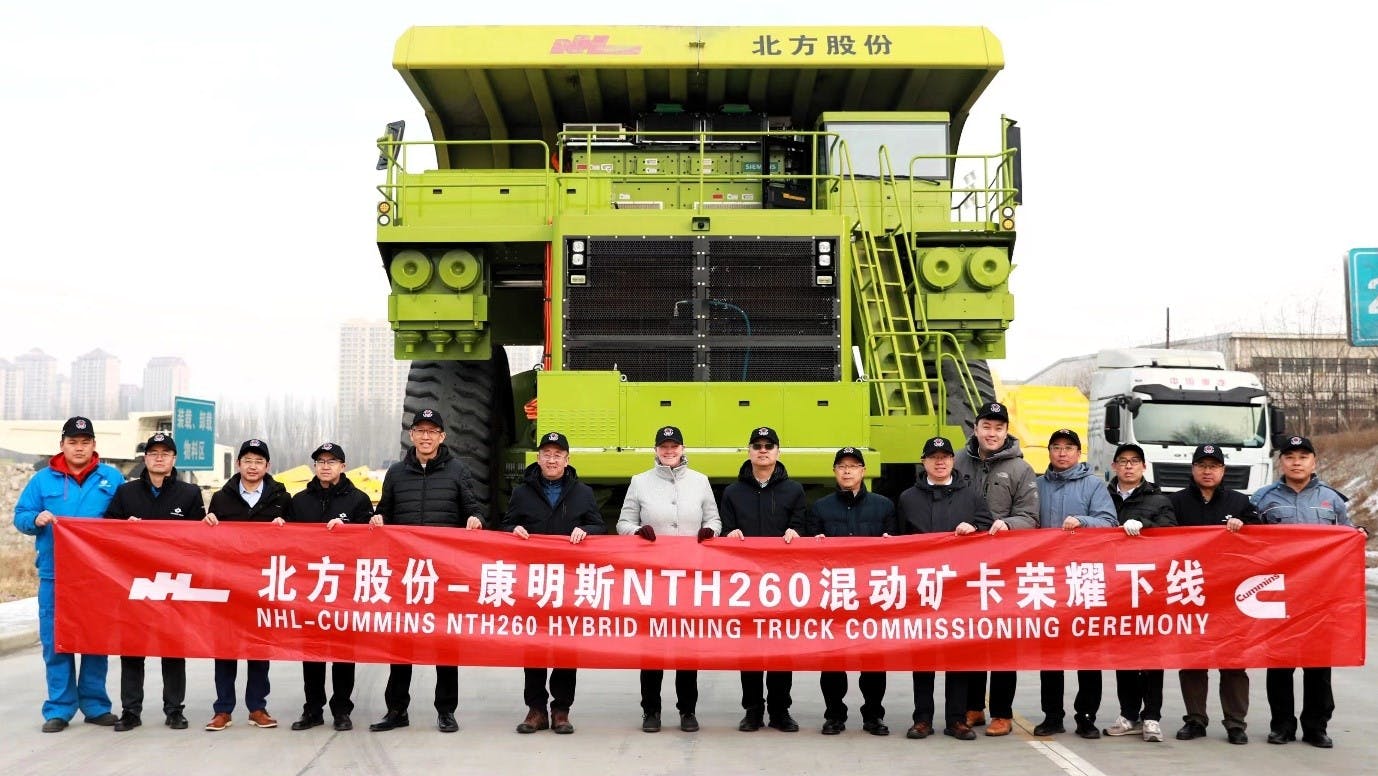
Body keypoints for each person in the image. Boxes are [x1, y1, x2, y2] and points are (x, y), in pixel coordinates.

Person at [369, 408, 485, 734]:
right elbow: (384, 514)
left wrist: (475, 520)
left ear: (442, 437)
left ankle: (446, 710)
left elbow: (473, 510)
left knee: (445, 644)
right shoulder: (395, 473)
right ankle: (396, 710)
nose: (425, 436)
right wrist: (378, 520)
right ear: (412, 435)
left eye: (432, 431)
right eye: (420, 430)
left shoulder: (457, 471)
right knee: (401, 643)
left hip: (443, 574)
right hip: (405, 574)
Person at [1252, 435, 1367, 749]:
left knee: (1318, 663)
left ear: (1314, 462)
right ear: (1281, 462)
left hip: (1320, 596)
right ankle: (1282, 726)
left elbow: (1347, 534)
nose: (1296, 462)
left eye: (1303, 456)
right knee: (1280, 663)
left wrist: (1357, 533)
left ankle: (1316, 727)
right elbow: (1248, 542)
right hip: (1279, 595)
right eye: (1290, 457)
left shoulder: (1332, 500)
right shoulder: (1262, 499)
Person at [13, 416, 124, 732]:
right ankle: (59, 708)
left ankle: (95, 705)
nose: (79, 448)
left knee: (95, 641)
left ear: (93, 446)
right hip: (55, 576)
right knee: (56, 642)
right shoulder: (42, 481)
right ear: (62, 445)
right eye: (73, 442)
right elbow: (20, 516)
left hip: (98, 578)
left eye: (85, 442)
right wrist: (35, 518)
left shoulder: (111, 479)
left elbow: (125, 519)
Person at [616, 425, 721, 734]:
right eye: (664, 446)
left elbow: (713, 518)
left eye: (674, 446)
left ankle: (687, 710)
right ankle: (651, 710)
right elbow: (623, 521)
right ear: (656, 450)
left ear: (683, 448)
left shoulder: (700, 482)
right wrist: (637, 532)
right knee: (653, 648)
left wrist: (710, 531)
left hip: (689, 578)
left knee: (687, 648)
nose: (669, 451)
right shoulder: (639, 482)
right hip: (653, 579)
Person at [502, 431, 606, 736]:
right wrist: (514, 528)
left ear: (567, 460)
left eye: (557, 454)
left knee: (565, 647)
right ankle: (535, 710)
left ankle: (561, 709)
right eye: (546, 454)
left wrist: (585, 530)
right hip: (533, 582)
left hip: (569, 582)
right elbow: (506, 524)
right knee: (533, 646)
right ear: (538, 459)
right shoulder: (522, 493)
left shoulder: (583, 493)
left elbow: (599, 524)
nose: (551, 459)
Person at [103, 432, 206, 732]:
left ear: (174, 459)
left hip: (173, 582)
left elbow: (198, 540)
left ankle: (174, 710)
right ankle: (131, 711)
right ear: (145, 458)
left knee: (173, 648)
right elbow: (106, 534)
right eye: (153, 453)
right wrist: (126, 529)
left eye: (165, 453)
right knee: (132, 649)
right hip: (134, 583)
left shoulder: (189, 494)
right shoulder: (126, 493)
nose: (159, 458)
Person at [898, 436, 993, 741]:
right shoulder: (908, 498)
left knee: (958, 656)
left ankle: (956, 719)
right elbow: (898, 543)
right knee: (922, 657)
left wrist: (974, 530)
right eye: (933, 457)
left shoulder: (973, 495)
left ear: (954, 461)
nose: (940, 462)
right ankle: (922, 718)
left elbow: (989, 535)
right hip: (922, 588)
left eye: (945, 457)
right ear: (923, 461)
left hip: (959, 589)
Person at [953, 401, 1038, 736]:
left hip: (1005, 565)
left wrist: (1007, 525)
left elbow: (1030, 517)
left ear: (1006, 431)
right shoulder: (957, 462)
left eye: (998, 428)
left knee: (1002, 638)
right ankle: (974, 706)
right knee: (969, 637)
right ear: (976, 429)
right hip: (964, 566)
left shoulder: (1021, 469)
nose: (992, 433)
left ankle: (1002, 711)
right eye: (986, 427)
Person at [1169, 443, 1260, 745]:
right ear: (1193, 469)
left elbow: (1264, 538)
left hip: (1230, 595)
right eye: (1202, 465)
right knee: (1194, 659)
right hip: (1191, 592)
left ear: (1223, 470)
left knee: (1233, 661)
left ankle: (1236, 723)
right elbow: (1162, 539)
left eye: (1214, 466)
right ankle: (1195, 720)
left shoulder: (1240, 502)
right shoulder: (1176, 502)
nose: (1208, 471)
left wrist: (1244, 526)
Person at [719, 426, 806, 734]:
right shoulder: (732, 492)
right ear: (749, 451)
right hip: (746, 582)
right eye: (757, 445)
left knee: (783, 649)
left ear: (778, 452)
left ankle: (781, 711)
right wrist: (730, 534)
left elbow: (800, 526)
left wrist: (796, 533)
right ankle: (753, 710)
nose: (763, 450)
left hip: (783, 582)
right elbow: (726, 530)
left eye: (769, 445)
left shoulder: (794, 490)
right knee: (751, 649)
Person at [203, 438, 292, 732]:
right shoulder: (222, 497)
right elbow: (210, 540)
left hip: (264, 583)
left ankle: (257, 707)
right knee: (225, 648)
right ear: (239, 464)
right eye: (247, 461)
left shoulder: (281, 497)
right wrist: (209, 523)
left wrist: (285, 529)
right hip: (228, 583)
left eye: (259, 462)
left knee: (258, 648)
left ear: (267, 467)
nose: (252, 466)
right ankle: (223, 709)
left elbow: (298, 541)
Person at [1033, 428, 1117, 739]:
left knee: (1087, 654)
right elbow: (1026, 521)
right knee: (1050, 655)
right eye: (1056, 447)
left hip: (1083, 580)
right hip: (1046, 581)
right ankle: (1052, 715)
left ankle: (1086, 717)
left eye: (1069, 447)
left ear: (1079, 453)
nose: (1062, 453)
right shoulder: (1037, 485)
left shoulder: (1093, 485)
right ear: (1050, 452)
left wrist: (1084, 522)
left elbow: (1109, 522)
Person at [286, 442, 374, 732]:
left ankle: (341, 710)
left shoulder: (359, 500)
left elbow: (369, 543)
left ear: (343, 466)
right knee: (311, 653)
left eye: (332, 461)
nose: (325, 466)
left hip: (344, 587)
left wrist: (348, 531)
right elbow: (285, 542)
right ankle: (312, 709)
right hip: (310, 587)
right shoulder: (299, 501)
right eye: (320, 461)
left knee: (342, 653)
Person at [809, 446, 896, 737]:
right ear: (834, 471)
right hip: (834, 594)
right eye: (842, 466)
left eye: (853, 465)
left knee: (873, 659)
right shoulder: (820, 508)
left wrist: (890, 542)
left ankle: (873, 715)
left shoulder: (884, 506)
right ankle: (834, 714)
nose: (847, 471)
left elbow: (900, 549)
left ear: (863, 471)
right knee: (833, 659)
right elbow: (809, 556)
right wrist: (815, 543)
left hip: (872, 595)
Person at [1099, 443, 1175, 743]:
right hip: (1114, 587)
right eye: (1123, 461)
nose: (1128, 467)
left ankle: (1152, 716)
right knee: (1124, 653)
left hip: (1147, 586)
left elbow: (1171, 533)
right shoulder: (1103, 497)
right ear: (1115, 466)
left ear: (1144, 467)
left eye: (1134, 461)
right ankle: (1128, 713)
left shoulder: (1158, 500)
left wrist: (1143, 523)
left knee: (1151, 653)